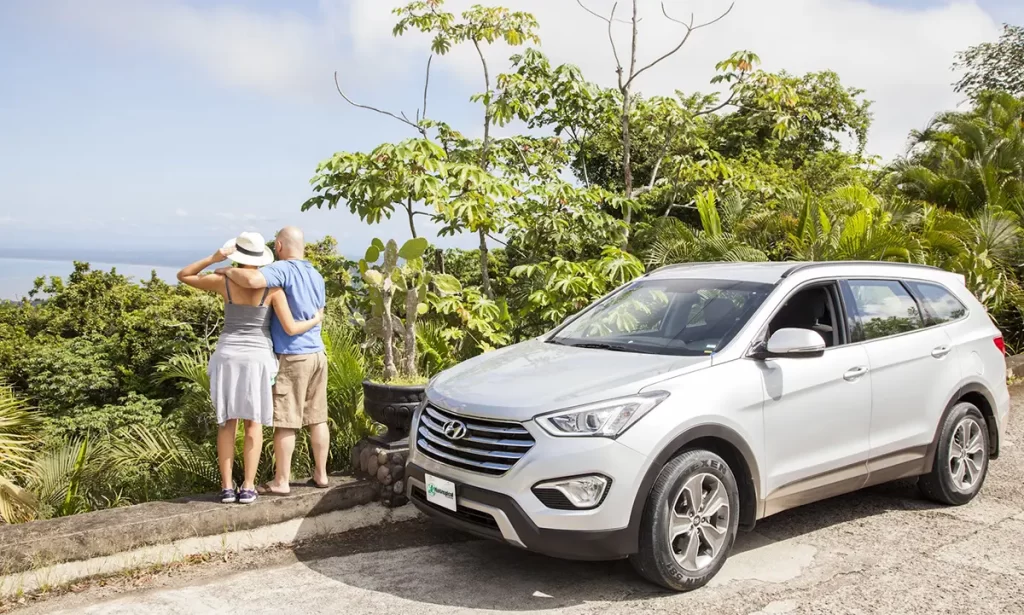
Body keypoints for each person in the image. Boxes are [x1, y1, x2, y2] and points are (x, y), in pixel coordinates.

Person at [177, 231, 323, 504]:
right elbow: (291, 328)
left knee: (227, 422)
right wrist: (315, 320)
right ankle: (248, 486)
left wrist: (216, 258)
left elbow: (184, 275)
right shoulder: (272, 288)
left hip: (227, 354)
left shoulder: (224, 282)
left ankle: (226, 488)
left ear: (238, 256)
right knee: (253, 422)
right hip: (257, 357)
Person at [217, 226, 329, 494]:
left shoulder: (282, 270)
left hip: (293, 354)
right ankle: (322, 475)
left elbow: (253, 281)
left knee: (286, 420)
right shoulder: (316, 274)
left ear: (278, 245)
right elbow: (319, 311)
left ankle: (281, 481)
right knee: (317, 418)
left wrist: (227, 270)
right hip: (317, 353)